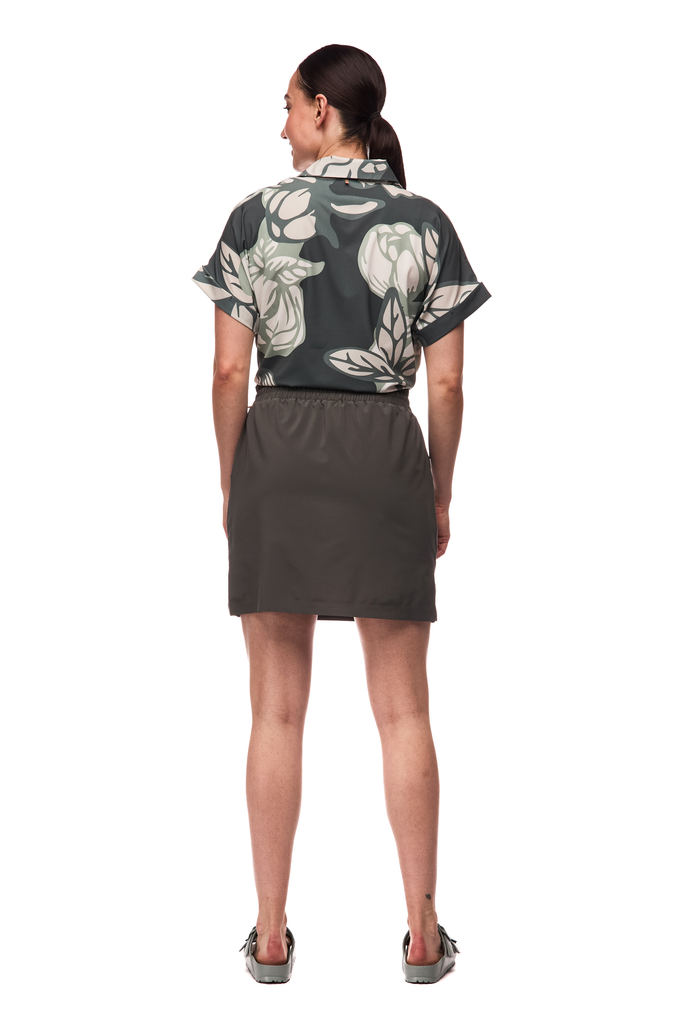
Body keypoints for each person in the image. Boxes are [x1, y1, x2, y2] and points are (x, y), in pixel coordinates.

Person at [192, 43, 491, 984]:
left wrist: (235, 484)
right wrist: (438, 490)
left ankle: (270, 935)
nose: (280, 125)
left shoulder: (253, 218)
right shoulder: (426, 222)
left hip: (278, 451)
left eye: (287, 105)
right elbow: (447, 386)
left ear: (323, 109)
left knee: (276, 711)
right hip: (382, 455)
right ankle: (422, 933)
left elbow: (228, 372)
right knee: (403, 710)